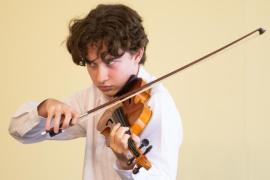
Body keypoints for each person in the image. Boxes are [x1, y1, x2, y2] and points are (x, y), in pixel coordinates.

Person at [9, 4, 183, 180]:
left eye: (111, 62)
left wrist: (126, 163)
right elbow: (20, 132)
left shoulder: (159, 105)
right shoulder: (90, 97)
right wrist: (45, 108)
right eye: (92, 64)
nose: (100, 78)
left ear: (137, 54)